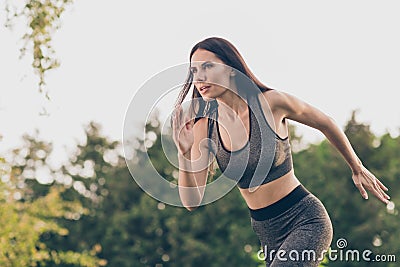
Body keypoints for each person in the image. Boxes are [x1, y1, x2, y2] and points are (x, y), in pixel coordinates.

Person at [171, 36, 390, 266]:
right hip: (267, 234)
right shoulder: (205, 127)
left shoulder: (270, 103)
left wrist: (356, 167)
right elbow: (191, 201)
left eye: (207, 66)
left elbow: (325, 122)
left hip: (305, 219)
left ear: (231, 68)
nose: (200, 77)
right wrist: (183, 155)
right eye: (194, 71)